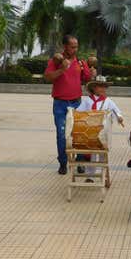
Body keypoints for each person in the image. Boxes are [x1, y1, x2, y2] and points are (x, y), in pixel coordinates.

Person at [44, 35, 95, 175]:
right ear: (65, 46)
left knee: (79, 133)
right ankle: (63, 163)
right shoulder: (56, 61)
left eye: (76, 46)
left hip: (77, 103)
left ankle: (80, 162)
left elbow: (87, 80)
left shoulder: (80, 62)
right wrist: (61, 69)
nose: (75, 49)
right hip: (60, 103)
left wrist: (92, 74)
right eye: (72, 46)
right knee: (61, 135)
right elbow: (48, 77)